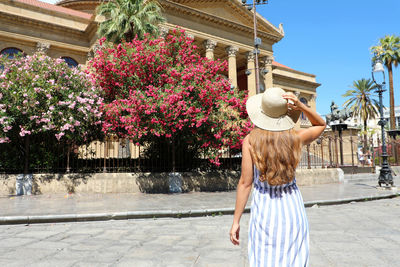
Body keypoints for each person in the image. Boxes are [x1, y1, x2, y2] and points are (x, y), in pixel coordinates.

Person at [229, 87, 326, 267]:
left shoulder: (250, 141)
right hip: (292, 209)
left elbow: (245, 183)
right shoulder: (295, 138)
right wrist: (301, 106)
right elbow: (320, 124)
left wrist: (236, 221)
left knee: (264, 259)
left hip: (265, 210)